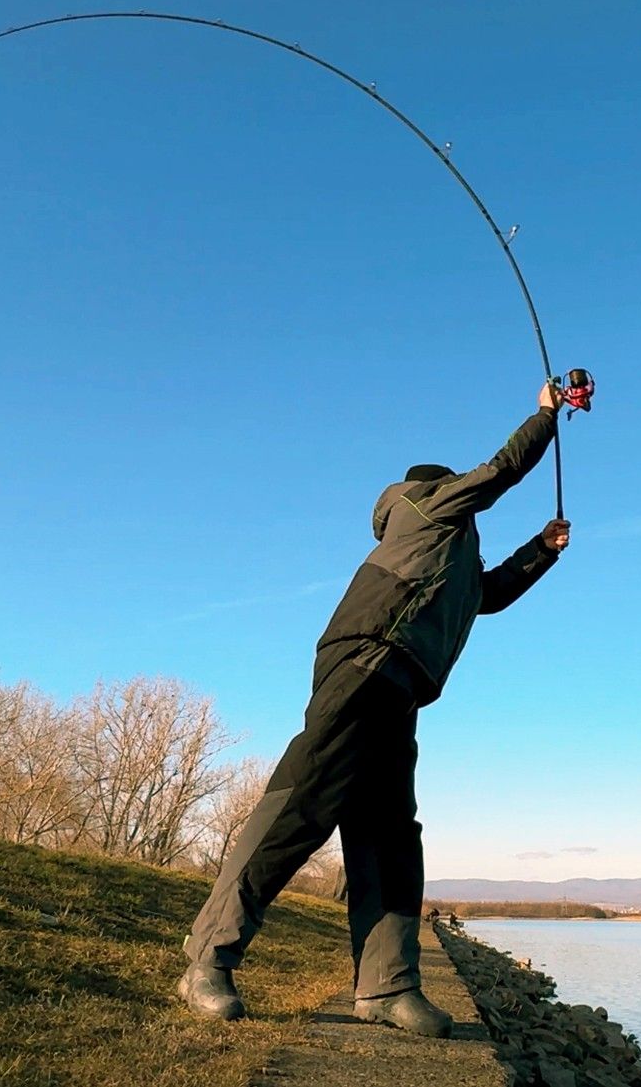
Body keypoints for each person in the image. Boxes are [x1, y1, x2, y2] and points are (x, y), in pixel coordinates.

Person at [178, 383, 572, 1036]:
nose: (470, 507)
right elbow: (498, 473)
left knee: (390, 835)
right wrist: (547, 415)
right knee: (299, 810)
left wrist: (541, 549)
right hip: (363, 663)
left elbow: (488, 594)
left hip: (402, 688)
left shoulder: (456, 554)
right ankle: (207, 959)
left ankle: (387, 986)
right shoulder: (420, 504)